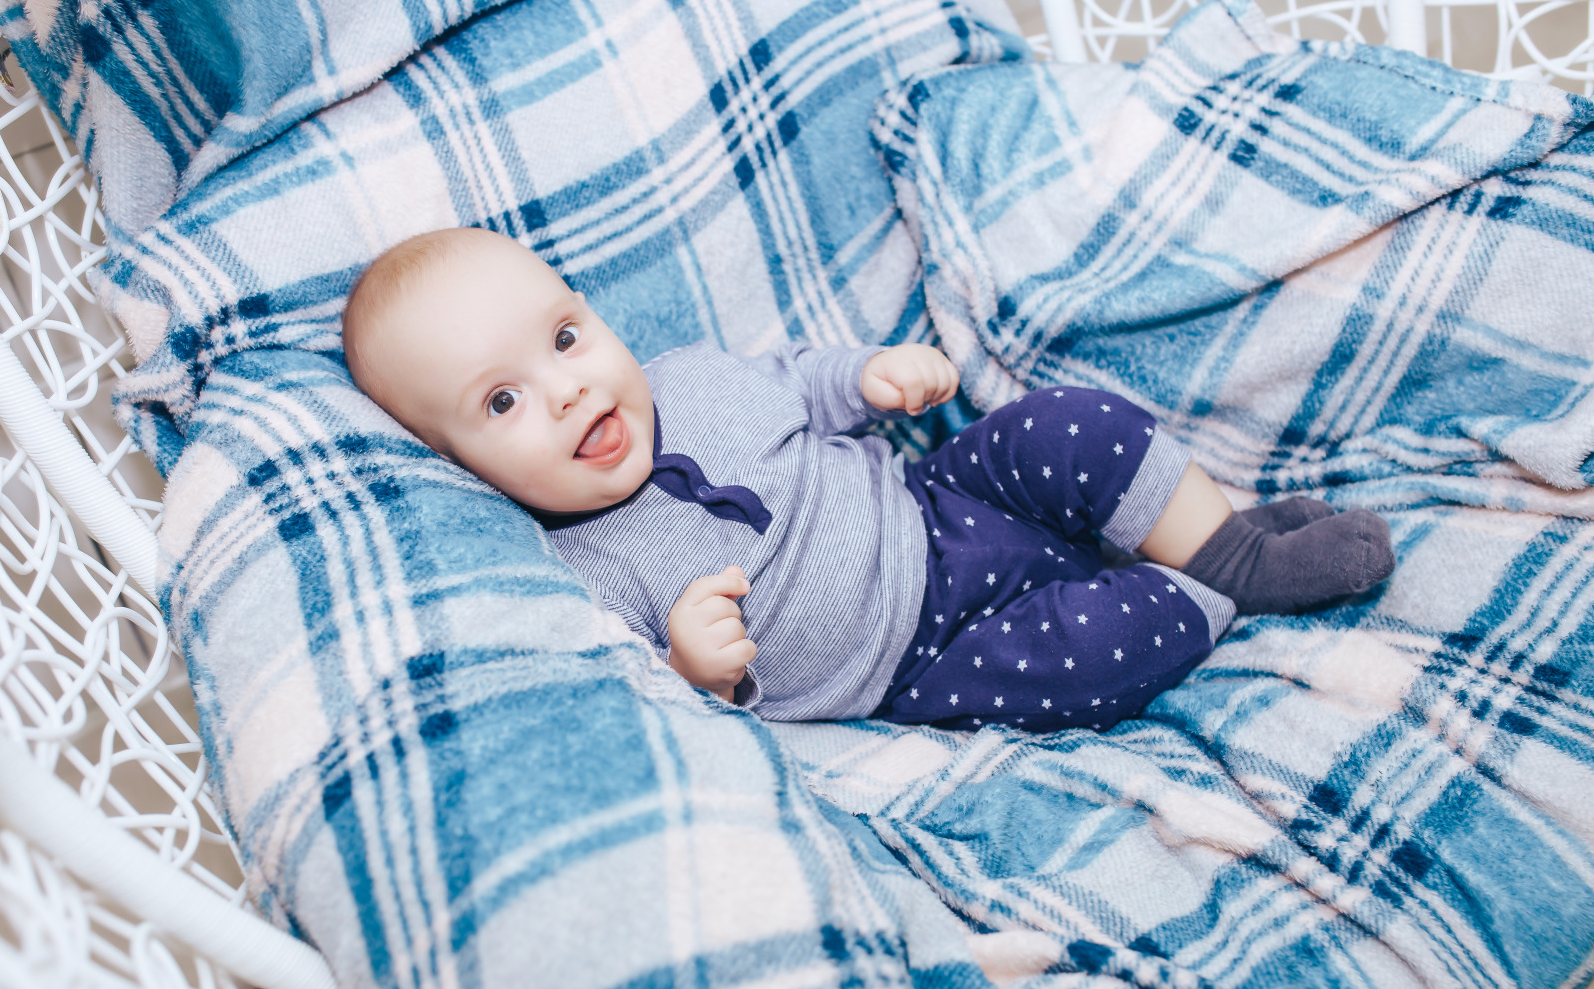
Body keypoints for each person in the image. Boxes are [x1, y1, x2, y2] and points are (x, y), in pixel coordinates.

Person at [341, 227, 1395, 731]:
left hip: (937, 499)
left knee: (1069, 427)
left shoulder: (691, 380)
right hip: (911, 664)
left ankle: (1236, 552)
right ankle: (1201, 588)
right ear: (454, 464)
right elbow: (638, 700)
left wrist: (871, 376)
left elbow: (801, 383)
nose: (565, 391)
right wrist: (691, 668)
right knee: (1086, 657)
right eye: (502, 402)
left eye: (565, 338)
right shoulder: (580, 567)